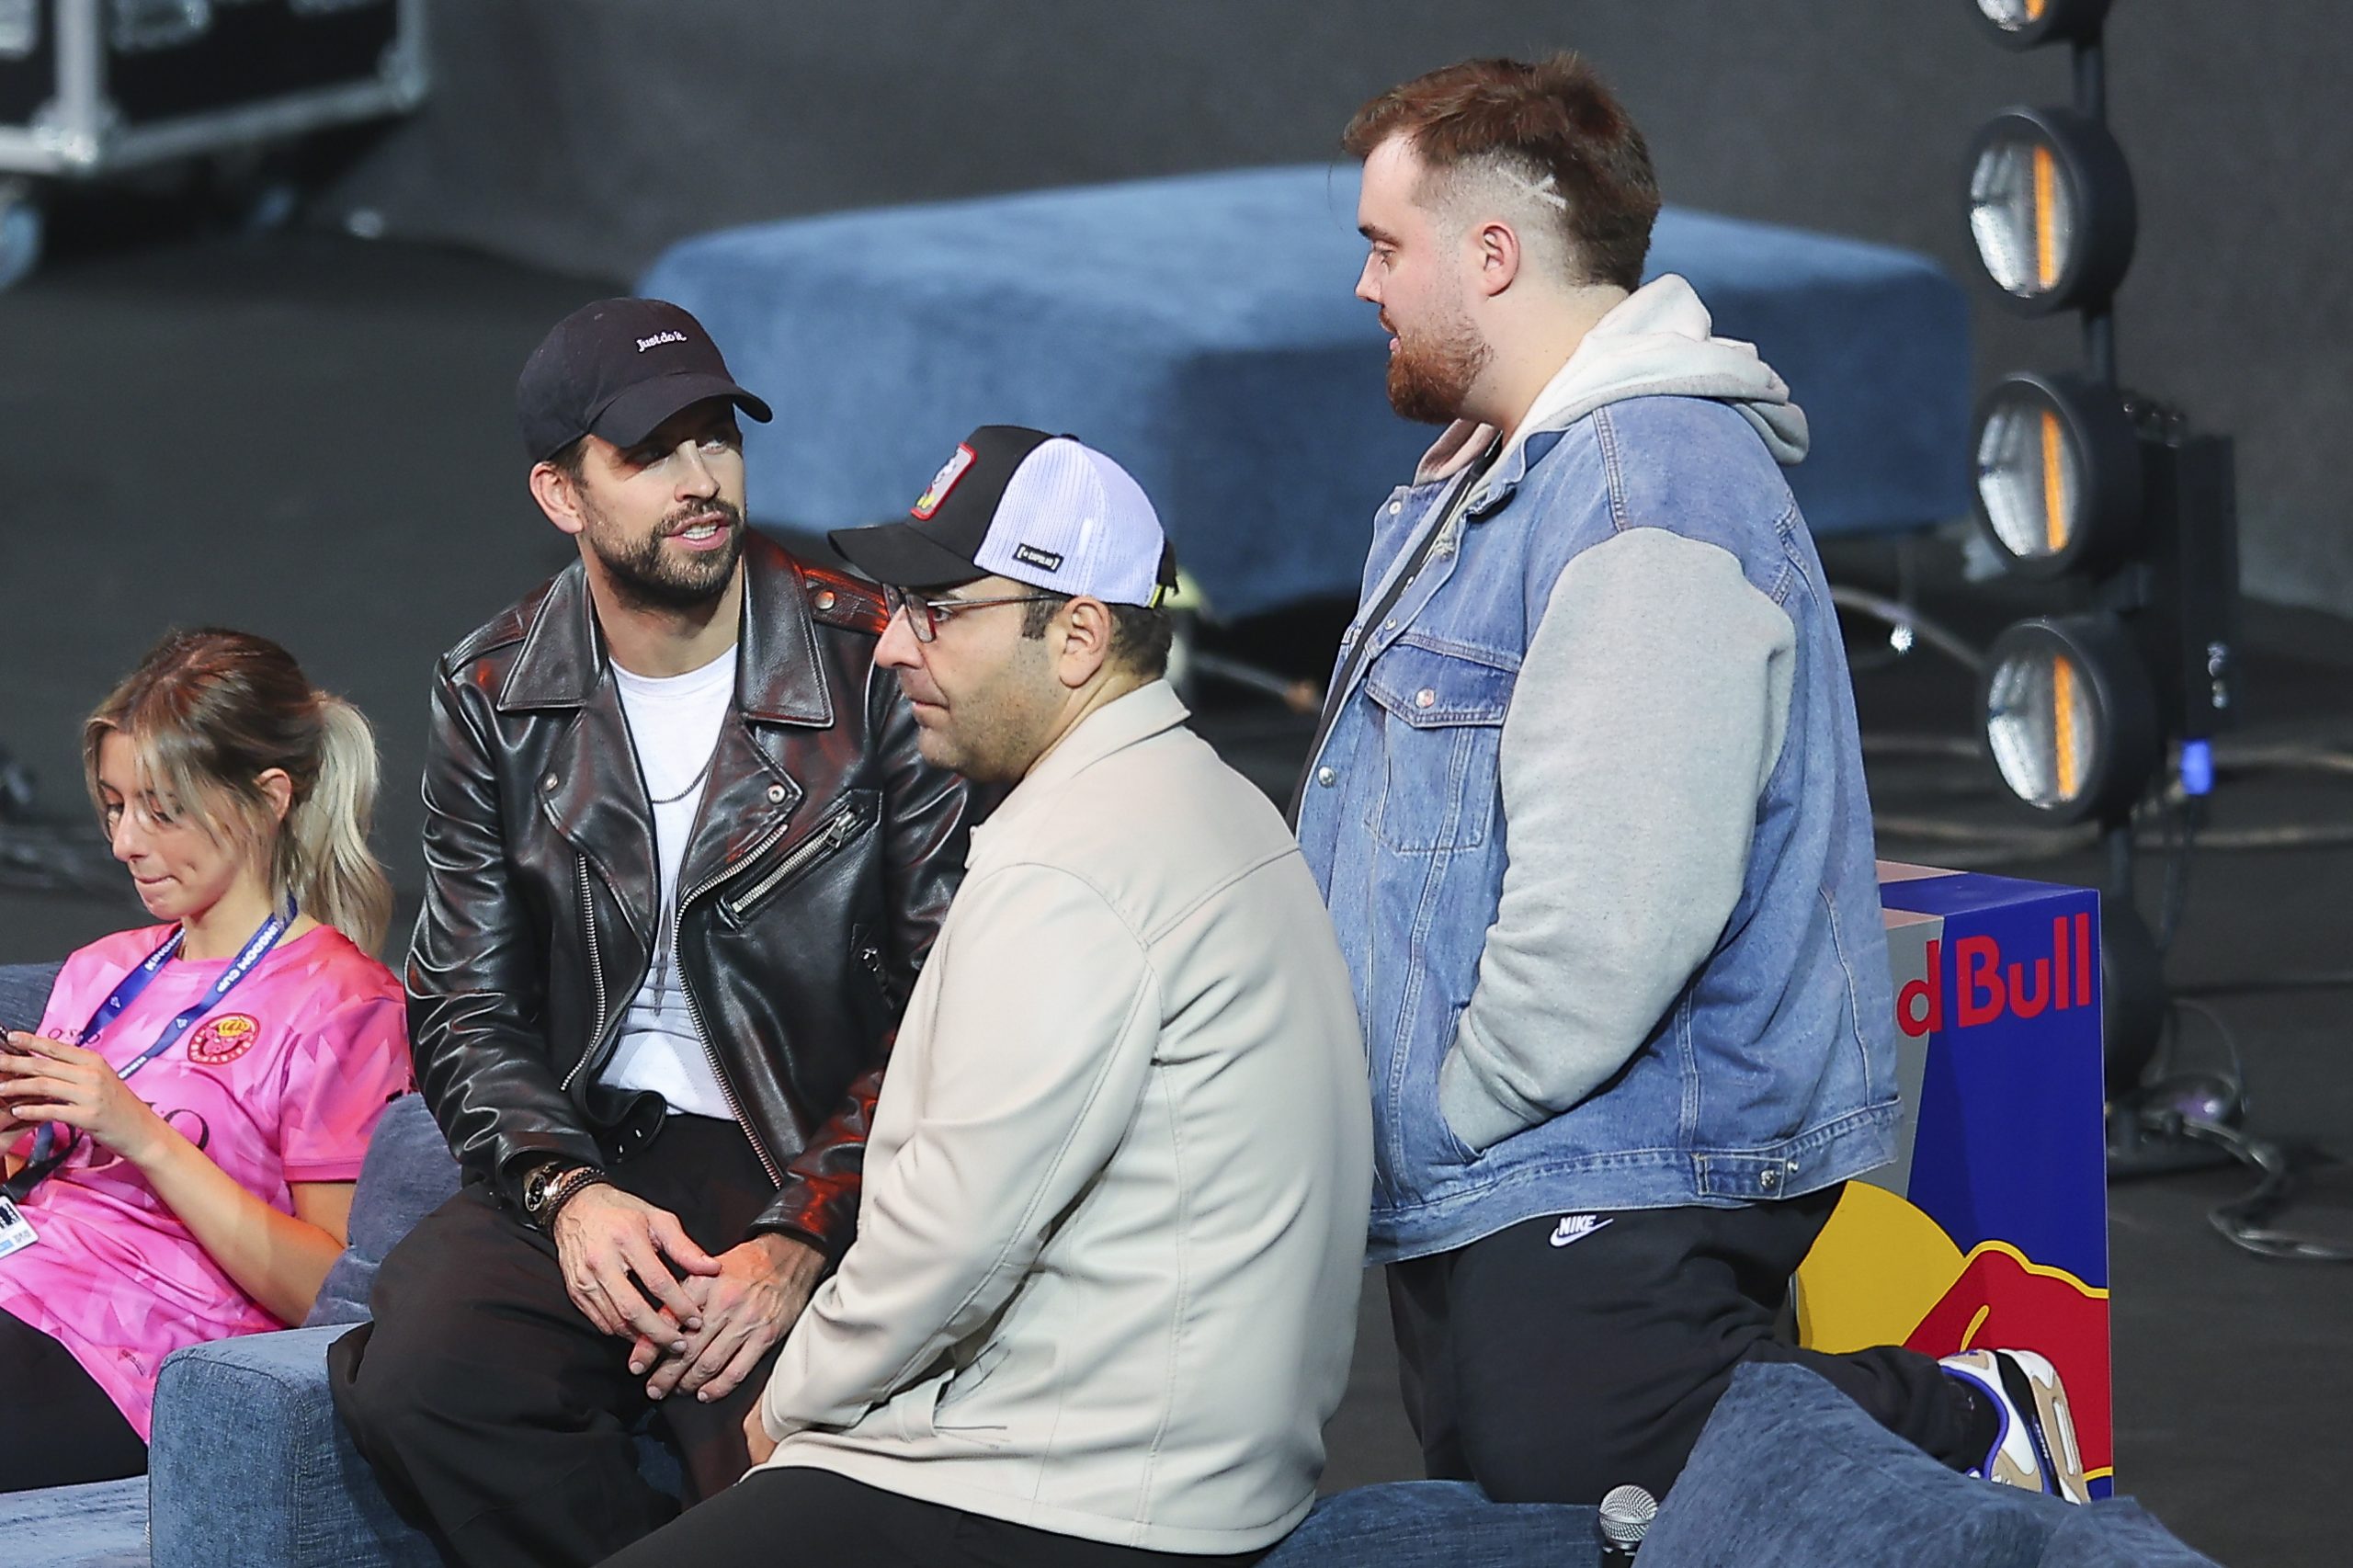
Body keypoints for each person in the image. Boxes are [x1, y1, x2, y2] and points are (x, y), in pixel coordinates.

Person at [1292, 55, 2089, 1508]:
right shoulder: (1493, 476)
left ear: (1492, 253)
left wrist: (1451, 1111)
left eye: (1385, 245)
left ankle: (1962, 1420)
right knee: (1540, 1508)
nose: (1365, 285)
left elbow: (1620, 909)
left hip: (1623, 1138)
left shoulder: (1643, 488)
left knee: (1585, 1451)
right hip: (1511, 1148)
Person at [599, 426, 1372, 1568]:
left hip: (1061, 1486)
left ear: (1077, 636)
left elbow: (958, 1231)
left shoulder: (1079, 862)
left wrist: (792, 1402)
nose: (891, 645)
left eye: (939, 611)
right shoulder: (1197, 797)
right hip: (1159, 1463)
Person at [327, 299, 974, 1568]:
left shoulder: (871, 659)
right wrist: (566, 1194)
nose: (701, 480)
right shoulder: (496, 688)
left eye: (716, 438)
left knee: (784, 1458)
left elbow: (951, 990)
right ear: (559, 493)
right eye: (650, 452)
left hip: (807, 1137)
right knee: (422, 1374)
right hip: (598, 1144)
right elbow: (463, 1000)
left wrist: (802, 1229)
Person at [0, 628, 408, 1493]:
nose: (125, 842)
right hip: (23, 1283)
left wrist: (141, 1133)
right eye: (115, 807)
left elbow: (328, 1291)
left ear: (267, 799)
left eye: (161, 812)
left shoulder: (344, 1005)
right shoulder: (102, 969)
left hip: (134, 1351)